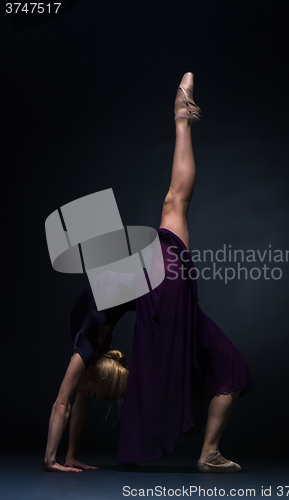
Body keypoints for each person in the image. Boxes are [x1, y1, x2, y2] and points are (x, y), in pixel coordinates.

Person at [116, 72, 253, 472]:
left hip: (165, 300)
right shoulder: (99, 319)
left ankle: (208, 454)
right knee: (174, 202)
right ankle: (181, 118)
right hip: (164, 298)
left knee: (233, 370)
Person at [44, 284, 135, 472]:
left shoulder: (92, 354)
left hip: (128, 286)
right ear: (91, 370)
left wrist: (68, 457)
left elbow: (74, 405)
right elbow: (62, 404)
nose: (85, 394)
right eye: (91, 392)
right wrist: (51, 461)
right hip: (124, 284)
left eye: (90, 393)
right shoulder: (86, 348)